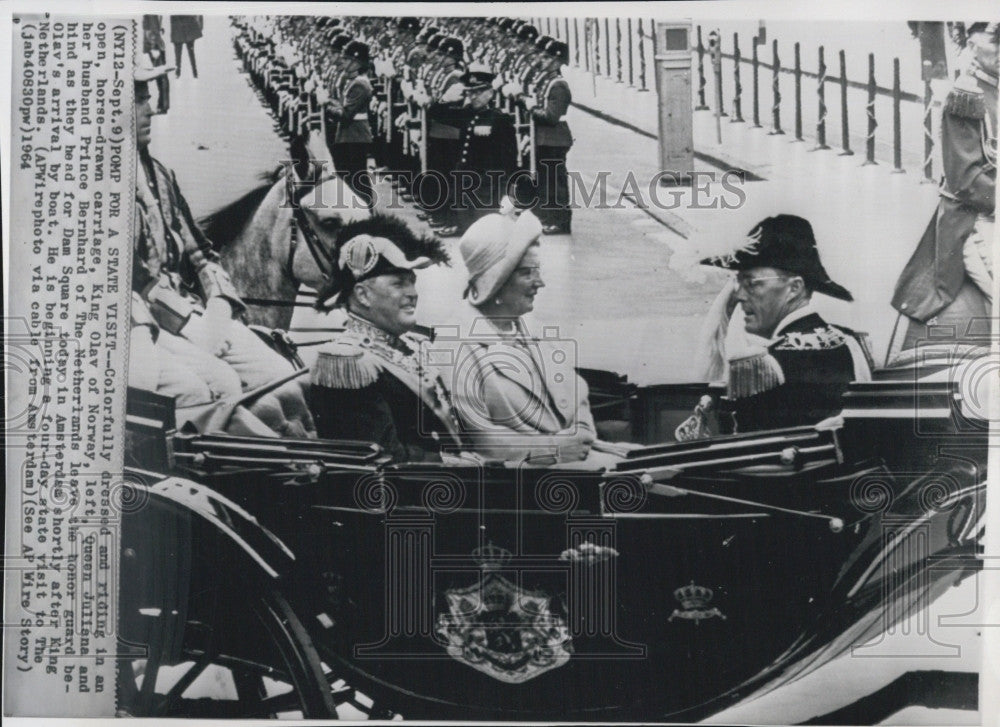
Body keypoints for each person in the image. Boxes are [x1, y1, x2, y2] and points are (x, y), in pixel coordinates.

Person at [129, 61, 315, 437]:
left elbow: (200, 253)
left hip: (191, 313)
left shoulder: (160, 174)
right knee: (220, 385)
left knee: (284, 375)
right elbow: (133, 277)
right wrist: (191, 324)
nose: (150, 110)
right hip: (149, 321)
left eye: (148, 99)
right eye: (137, 102)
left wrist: (218, 303)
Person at [442, 209, 608, 464]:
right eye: (527, 273)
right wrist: (553, 449)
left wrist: (582, 432)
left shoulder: (531, 327)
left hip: (579, 461)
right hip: (522, 480)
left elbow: (576, 393)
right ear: (496, 283)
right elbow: (480, 437)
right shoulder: (454, 345)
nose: (539, 282)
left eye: (537, 271)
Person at [699, 214, 873, 433]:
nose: (740, 296)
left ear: (794, 288)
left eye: (752, 284)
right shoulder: (850, 344)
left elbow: (747, 456)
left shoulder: (761, 366)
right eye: (739, 284)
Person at [309, 216, 462, 462]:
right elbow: (385, 460)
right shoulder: (348, 362)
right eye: (399, 284)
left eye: (412, 282)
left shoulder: (410, 345)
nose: (412, 293)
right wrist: (462, 465)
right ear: (363, 295)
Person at [891, 22, 997, 352]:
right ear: (972, 40)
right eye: (996, 39)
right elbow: (966, 181)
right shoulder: (966, 95)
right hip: (978, 220)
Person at [428, 63, 518, 236]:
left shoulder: (500, 119)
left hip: (486, 185)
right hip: (463, 180)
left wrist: (509, 191)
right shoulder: (466, 113)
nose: (474, 96)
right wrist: (445, 99)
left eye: (478, 92)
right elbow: (436, 114)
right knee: (466, 228)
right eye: (470, 92)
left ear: (490, 92)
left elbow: (510, 159)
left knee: (484, 230)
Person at [526, 38, 573, 235]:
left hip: (553, 139)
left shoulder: (558, 85)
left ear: (556, 61)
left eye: (546, 57)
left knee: (555, 182)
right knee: (545, 181)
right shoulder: (547, 81)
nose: (542, 61)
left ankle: (560, 221)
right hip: (544, 138)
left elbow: (551, 116)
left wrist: (531, 108)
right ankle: (548, 217)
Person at [325, 39, 375, 208]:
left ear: (356, 63)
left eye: (346, 60)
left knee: (357, 176)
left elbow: (346, 114)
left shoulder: (360, 84)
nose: (343, 62)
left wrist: (327, 105)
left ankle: (366, 208)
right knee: (350, 174)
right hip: (351, 133)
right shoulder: (354, 81)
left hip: (355, 134)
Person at [141, 15, 169, 113]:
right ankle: (162, 106)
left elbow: (152, 29)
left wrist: (153, 47)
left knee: (160, 77)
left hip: (152, 47)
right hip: (154, 45)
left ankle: (162, 106)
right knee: (161, 77)